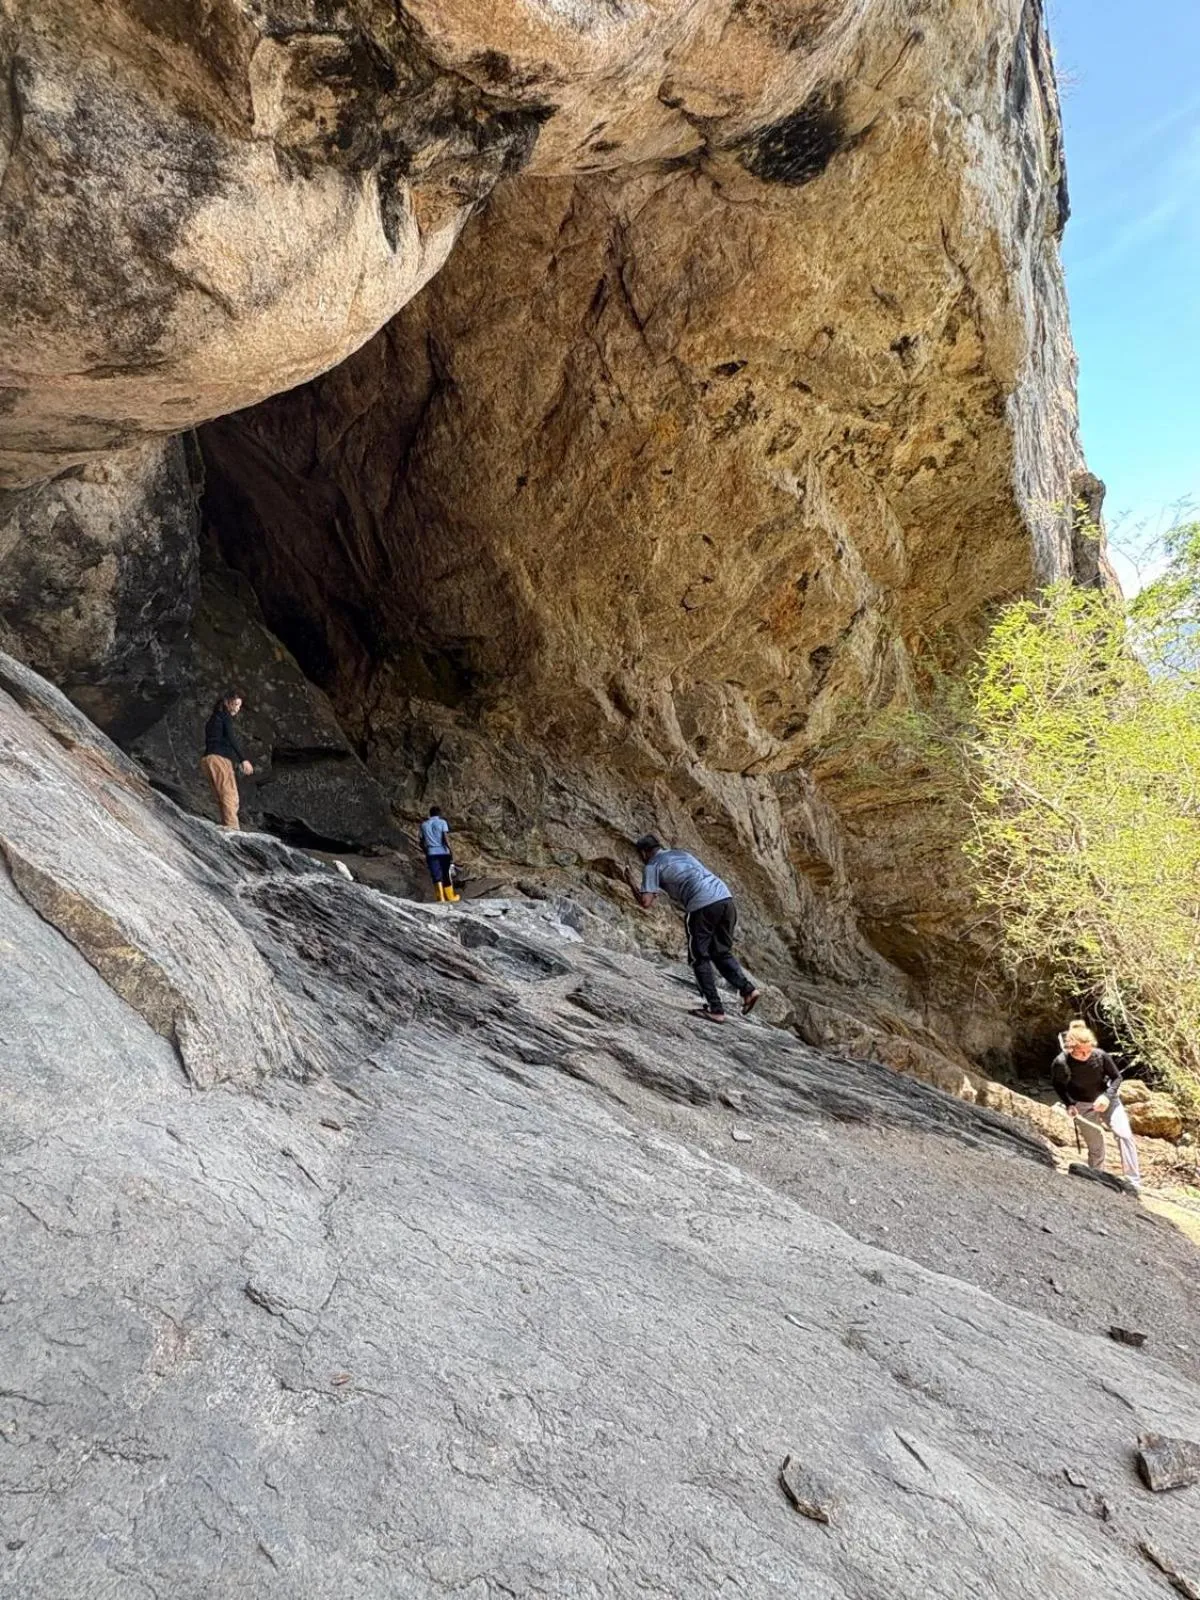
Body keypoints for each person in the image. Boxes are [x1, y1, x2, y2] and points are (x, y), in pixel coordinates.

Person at [632, 834, 761, 1024]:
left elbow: (646, 902)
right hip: (725, 899)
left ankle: (715, 1009)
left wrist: (630, 883)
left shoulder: (652, 865)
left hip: (702, 905)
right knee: (721, 951)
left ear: (644, 853)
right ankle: (748, 991)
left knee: (699, 957)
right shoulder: (681, 854)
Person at [1051, 1020, 1142, 1191]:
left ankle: (1133, 1182)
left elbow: (1117, 1078)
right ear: (1071, 1049)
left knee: (1124, 1135)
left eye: (1088, 1051)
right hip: (1082, 1106)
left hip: (1107, 1100)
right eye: (1081, 1053)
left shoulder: (1100, 1055)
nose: (1085, 1055)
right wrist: (1069, 1104)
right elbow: (1058, 1086)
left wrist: (1107, 1096)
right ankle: (1096, 1181)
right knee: (1096, 1146)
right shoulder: (1061, 1063)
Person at [200, 690, 253, 831]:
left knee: (221, 796)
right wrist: (243, 759)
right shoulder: (224, 717)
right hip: (219, 759)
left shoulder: (213, 719)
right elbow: (231, 738)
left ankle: (226, 827)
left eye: (239, 706)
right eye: (235, 704)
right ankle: (233, 830)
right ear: (227, 702)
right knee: (230, 795)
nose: (237, 708)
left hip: (208, 759)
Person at [420, 806, 459, 903]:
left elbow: (421, 841)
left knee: (436, 875)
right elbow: (445, 838)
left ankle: (440, 898)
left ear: (430, 814)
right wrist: (451, 850)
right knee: (446, 874)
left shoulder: (424, 825)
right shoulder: (442, 822)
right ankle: (450, 897)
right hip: (443, 852)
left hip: (431, 853)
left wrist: (426, 851)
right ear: (439, 813)